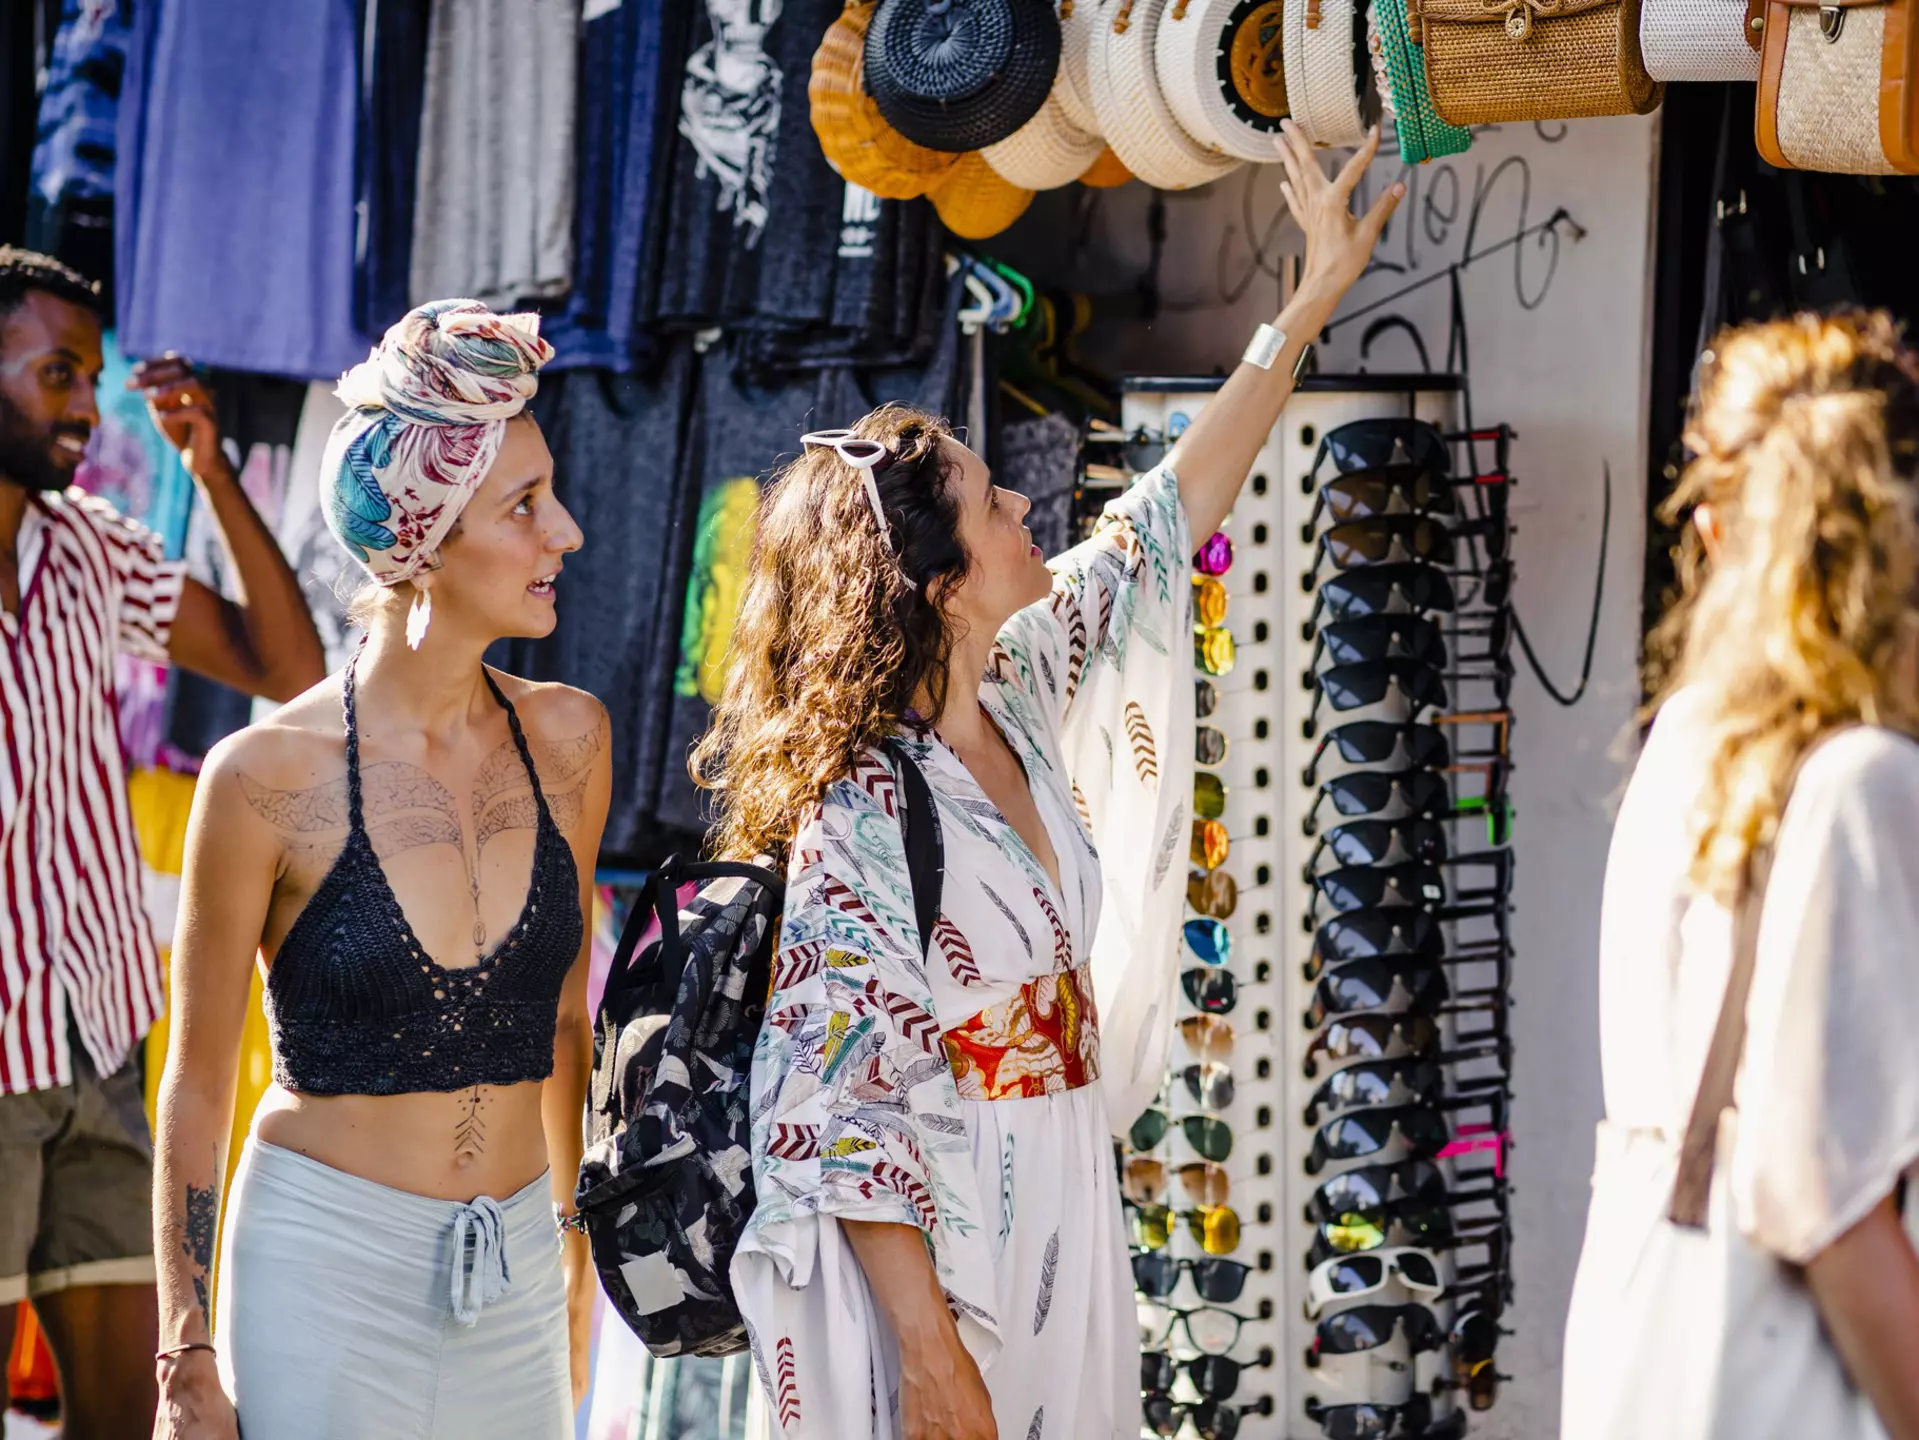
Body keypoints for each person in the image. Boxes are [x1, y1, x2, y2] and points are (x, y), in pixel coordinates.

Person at [696, 125, 1400, 1440]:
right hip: (954, 1243)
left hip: (1064, 1189)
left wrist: (1301, 308)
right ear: (935, 584)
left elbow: (1161, 518)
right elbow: (831, 1106)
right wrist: (928, 1355)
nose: (1028, 508)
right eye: (991, 505)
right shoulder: (863, 807)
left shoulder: (1015, 685)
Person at [150, 300, 611, 1440]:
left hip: (513, 1271)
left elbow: (563, 1028)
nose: (566, 533)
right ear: (426, 539)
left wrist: (572, 1254)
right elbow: (199, 1084)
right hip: (321, 1266)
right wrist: (186, 1351)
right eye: (523, 506)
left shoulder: (572, 741)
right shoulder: (264, 778)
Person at [1561, 311, 1919, 1440]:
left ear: (1718, 528)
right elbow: (1820, 1200)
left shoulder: (1690, 738)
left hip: (1649, 1348)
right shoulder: (1857, 781)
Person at [0, 246, 324, 1436]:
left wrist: (212, 468)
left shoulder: (84, 546)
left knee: (128, 1419)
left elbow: (281, 665)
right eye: (59, 375)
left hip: (96, 1044)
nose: (88, 405)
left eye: (91, 377)